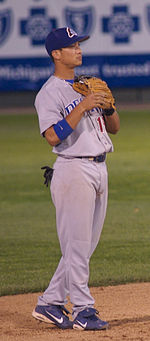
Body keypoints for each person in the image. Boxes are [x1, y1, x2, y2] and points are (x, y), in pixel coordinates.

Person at [32, 27, 120, 330]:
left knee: (83, 246)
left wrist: (107, 106)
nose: (78, 49)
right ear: (56, 54)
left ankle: (50, 301)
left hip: (99, 167)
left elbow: (116, 128)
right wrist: (82, 106)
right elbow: (53, 136)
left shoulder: (86, 85)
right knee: (78, 246)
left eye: (79, 44)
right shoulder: (49, 93)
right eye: (72, 46)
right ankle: (83, 309)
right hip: (73, 170)